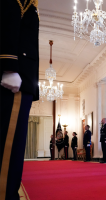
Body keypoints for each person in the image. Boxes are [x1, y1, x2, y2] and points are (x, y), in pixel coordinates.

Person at [0, 1, 39, 199]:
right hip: (18, 77)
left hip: (24, 79)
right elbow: (9, 13)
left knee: (15, 149)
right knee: (9, 151)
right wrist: (9, 65)